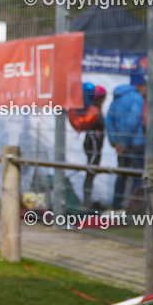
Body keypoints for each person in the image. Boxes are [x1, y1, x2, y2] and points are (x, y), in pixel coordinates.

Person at [106, 73, 146, 210]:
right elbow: (133, 121)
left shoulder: (116, 99)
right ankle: (134, 208)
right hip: (136, 143)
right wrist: (123, 142)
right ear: (139, 84)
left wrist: (115, 142)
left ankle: (117, 206)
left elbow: (109, 121)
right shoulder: (137, 98)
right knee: (138, 176)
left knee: (121, 176)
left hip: (120, 146)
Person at [67, 83, 106, 211]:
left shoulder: (94, 110)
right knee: (91, 172)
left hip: (93, 145)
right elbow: (96, 126)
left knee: (91, 172)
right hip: (93, 145)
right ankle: (86, 203)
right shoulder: (93, 111)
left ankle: (87, 201)